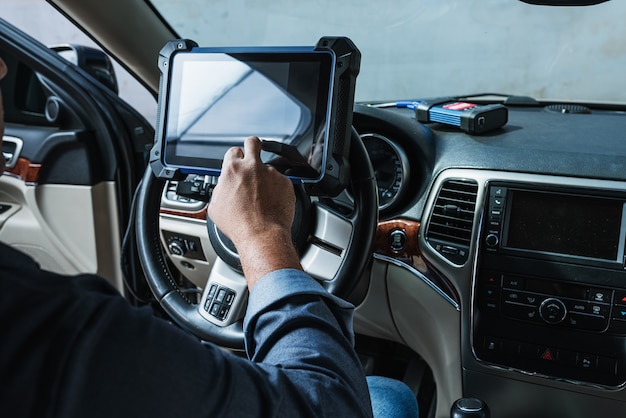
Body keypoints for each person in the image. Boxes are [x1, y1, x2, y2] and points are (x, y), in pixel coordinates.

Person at [0, 55, 418, 418]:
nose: (2, 67)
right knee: (386, 395)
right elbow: (332, 407)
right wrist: (262, 233)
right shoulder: (57, 330)